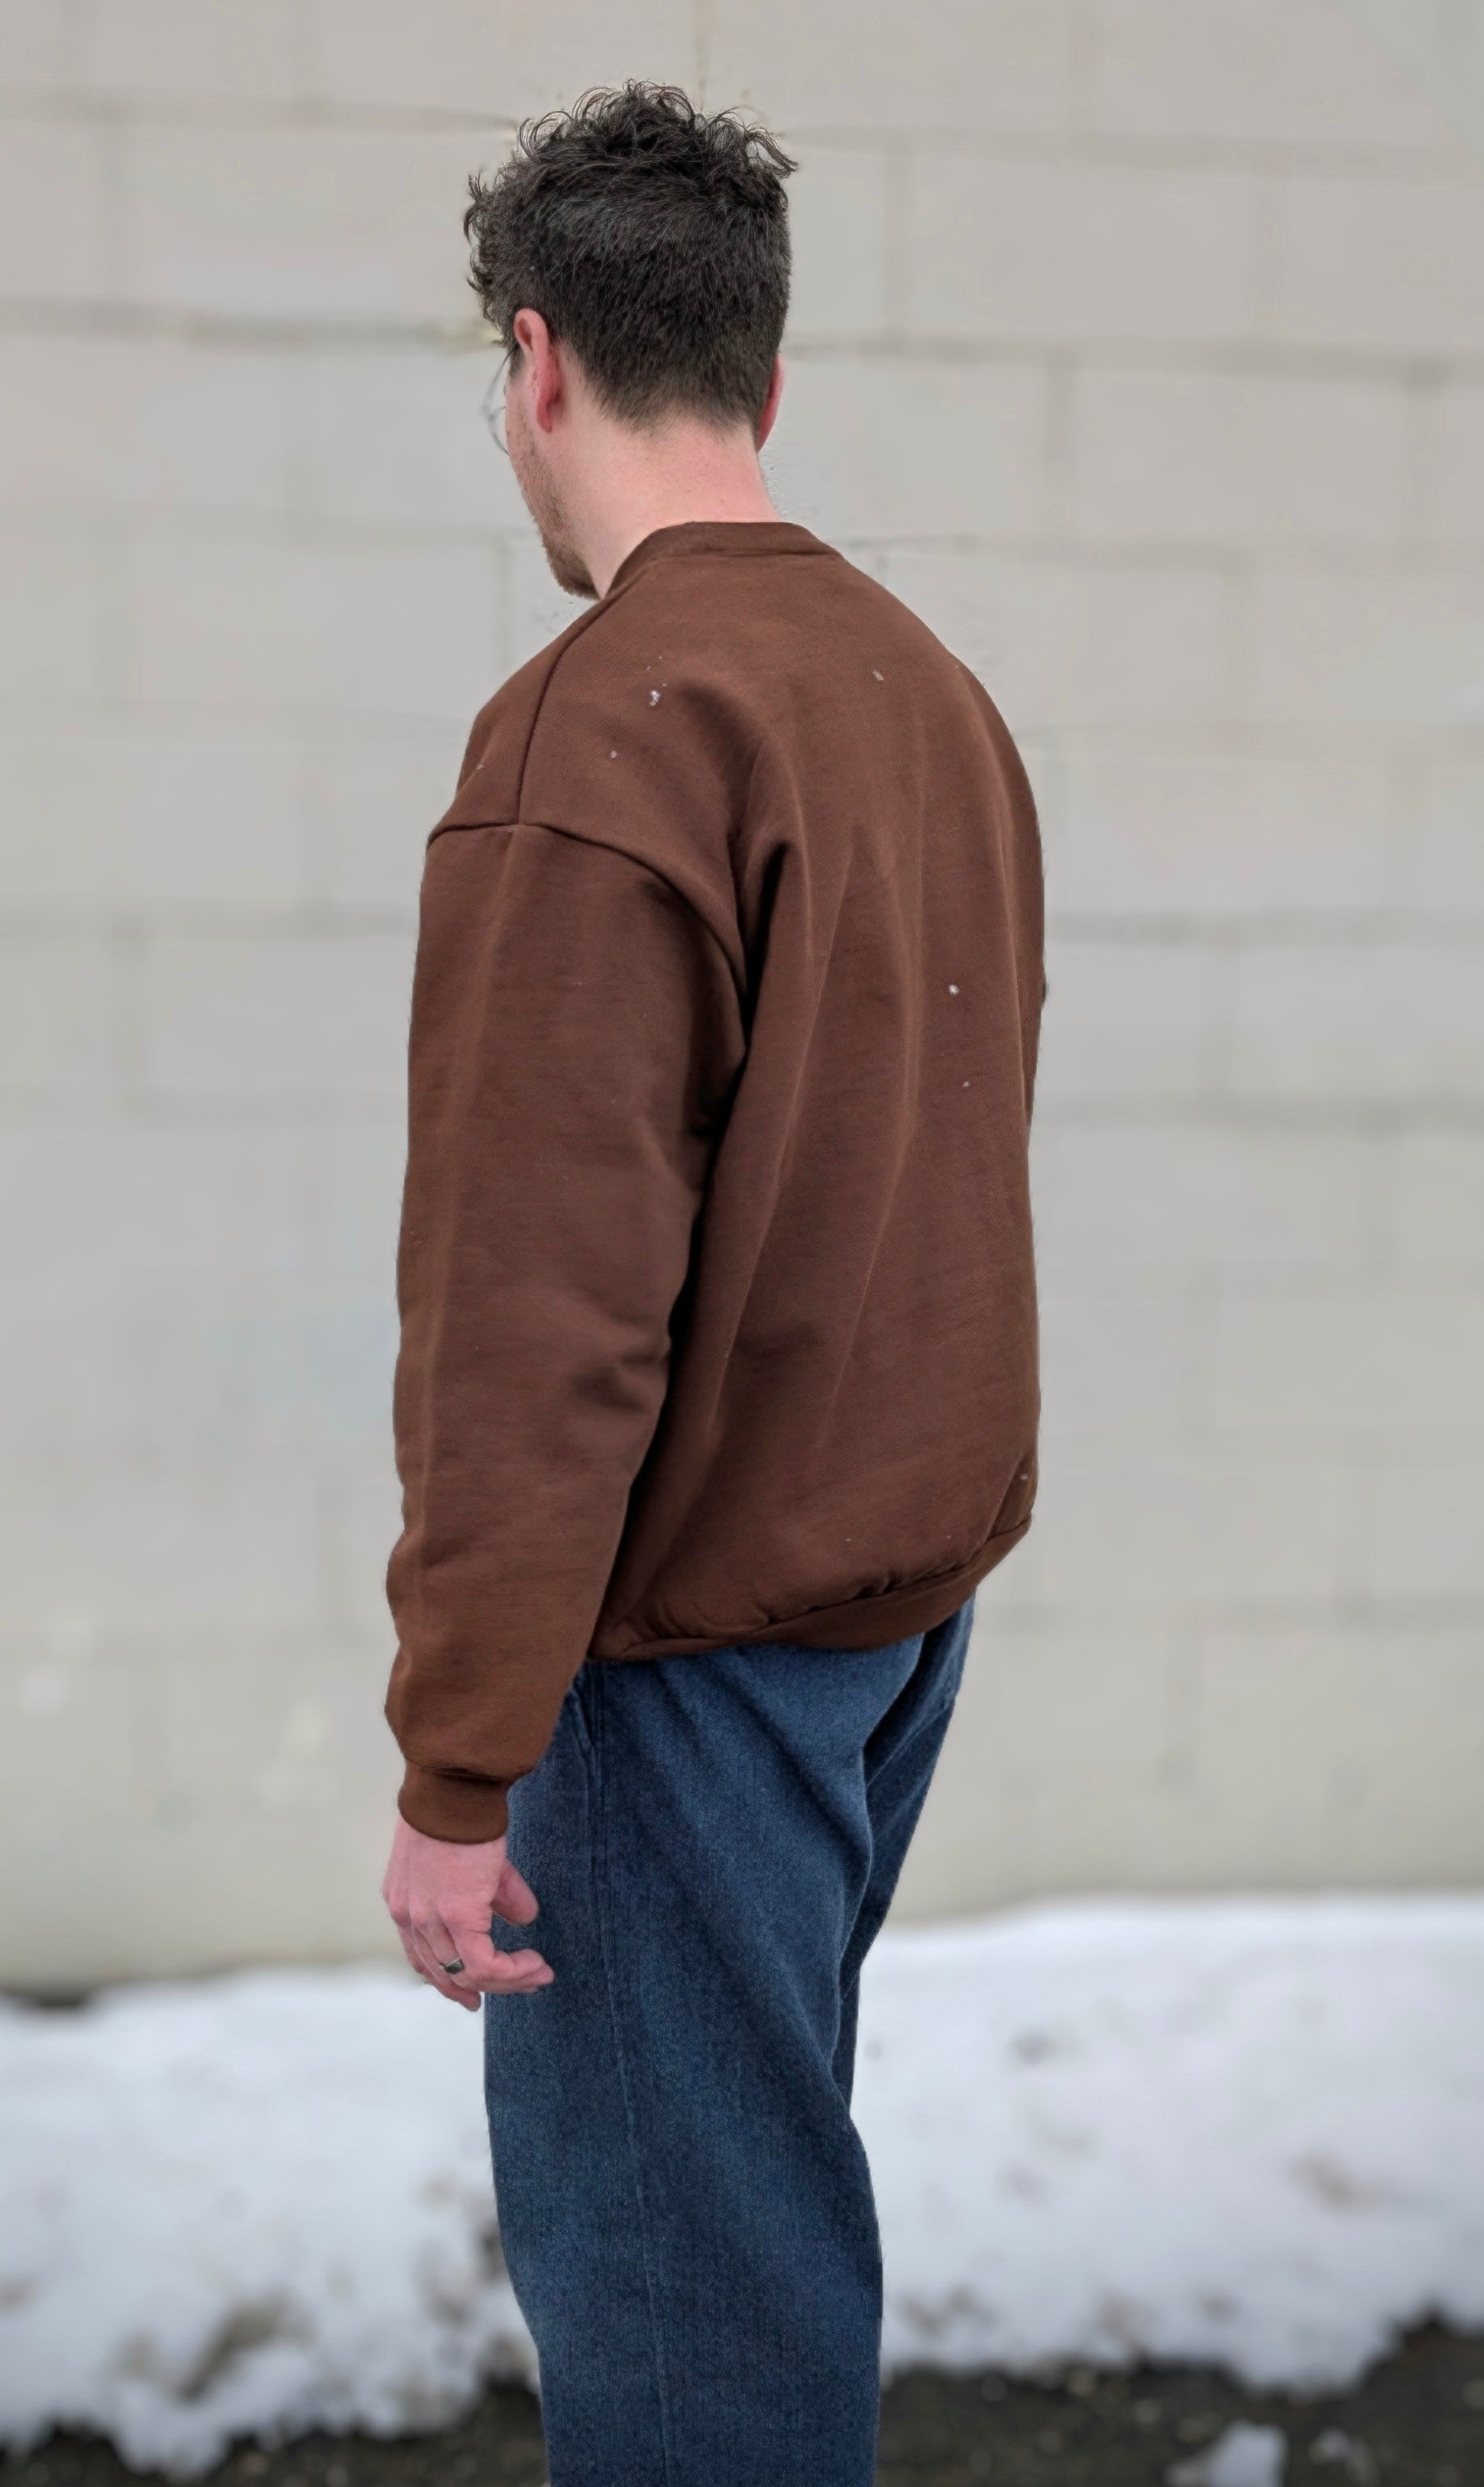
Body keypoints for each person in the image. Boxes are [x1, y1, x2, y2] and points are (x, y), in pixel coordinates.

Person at [378, 81, 1044, 2487]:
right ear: (762, 376)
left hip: (677, 1665)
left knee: (693, 2331)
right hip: (881, 1628)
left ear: (538, 361)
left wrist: (460, 1762)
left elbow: (533, 1313)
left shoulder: (598, 733)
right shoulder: (925, 693)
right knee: (753, 2231)